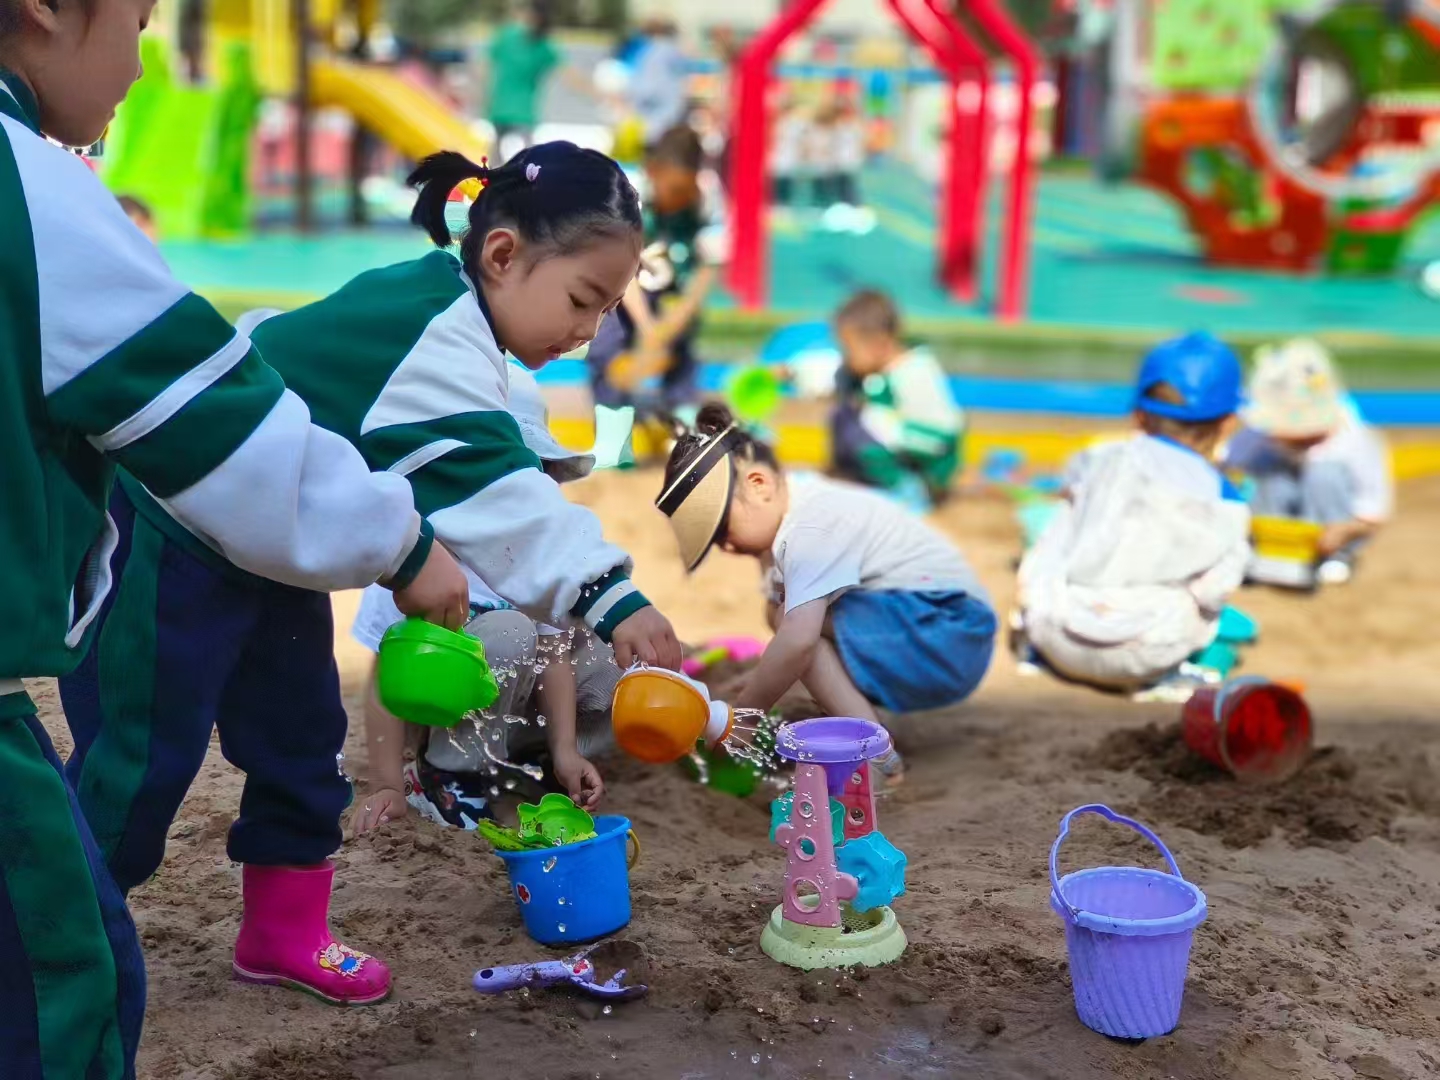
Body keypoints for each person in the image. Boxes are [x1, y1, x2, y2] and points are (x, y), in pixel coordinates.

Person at [57, 141, 681, 1011]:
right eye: (583, 300)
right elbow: (503, 494)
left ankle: (281, 934)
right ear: (504, 255)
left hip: (273, 553)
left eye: (608, 310)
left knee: (302, 738)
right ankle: (55, 943)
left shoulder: (450, 318)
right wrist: (613, 598)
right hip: (174, 534)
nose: (590, 332)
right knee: (140, 759)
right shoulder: (434, 331)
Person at [0, 1, 466, 1073]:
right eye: (136, 20)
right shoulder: (32, 190)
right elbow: (227, 432)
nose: (140, 61)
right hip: (170, 565)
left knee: (297, 742)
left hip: (251, 579)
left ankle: (283, 927)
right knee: (67, 978)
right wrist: (403, 544)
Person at [658, 405, 998, 784]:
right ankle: (865, 718)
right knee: (782, 614)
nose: (726, 547)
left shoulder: (811, 528)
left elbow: (799, 640)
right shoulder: (795, 502)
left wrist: (746, 718)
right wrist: (762, 679)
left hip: (949, 631)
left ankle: (877, 758)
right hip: (933, 632)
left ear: (759, 485)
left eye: (723, 531)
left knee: (794, 626)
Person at [352, 364, 619, 834]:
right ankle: (444, 774)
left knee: (607, 661)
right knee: (508, 630)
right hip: (439, 705)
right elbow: (383, 677)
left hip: (507, 705)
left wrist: (564, 752)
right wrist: (386, 784)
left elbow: (553, 654)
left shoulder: (537, 548)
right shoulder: (418, 546)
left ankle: (523, 761)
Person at [1017, 332, 1250, 692]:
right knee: (1219, 615)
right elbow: (1213, 592)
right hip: (1143, 654)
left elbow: (1061, 511)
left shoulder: (1097, 458)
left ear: (1138, 416)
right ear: (1229, 423)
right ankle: (1178, 679)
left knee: (1060, 522)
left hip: (1055, 635)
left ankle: (1030, 652)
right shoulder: (1225, 499)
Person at [587, 123, 726, 423]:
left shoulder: (708, 198)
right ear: (653, 172)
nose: (679, 199)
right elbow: (621, 268)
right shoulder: (627, 194)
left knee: (681, 351)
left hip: (674, 285)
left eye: (686, 191)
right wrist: (648, 328)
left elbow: (707, 269)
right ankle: (615, 425)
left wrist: (672, 325)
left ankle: (681, 422)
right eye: (674, 190)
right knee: (608, 342)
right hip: (623, 285)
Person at [1225, 338, 1392, 585]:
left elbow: (1373, 509)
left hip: (1332, 527)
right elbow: (1226, 465)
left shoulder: (1353, 440)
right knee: (1266, 470)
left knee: (1324, 474)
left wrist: (1344, 530)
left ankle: (1336, 556)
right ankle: (1267, 553)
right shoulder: (1260, 435)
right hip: (1276, 526)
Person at [829, 289, 965, 511]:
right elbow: (827, 374)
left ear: (879, 344)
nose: (846, 357)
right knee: (844, 416)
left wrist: (876, 420)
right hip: (899, 445)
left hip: (931, 453)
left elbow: (942, 437)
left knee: (864, 422)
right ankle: (859, 478)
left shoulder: (913, 372)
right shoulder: (871, 371)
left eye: (850, 349)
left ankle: (909, 490)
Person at [485, 0, 559, 160]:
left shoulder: (538, 44)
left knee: (504, 153)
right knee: (522, 155)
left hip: (511, 108)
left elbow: (485, 65)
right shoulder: (511, 37)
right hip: (511, 109)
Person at [626, 16, 689, 148]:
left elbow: (643, 87)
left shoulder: (647, 50)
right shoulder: (668, 50)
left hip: (652, 120)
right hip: (664, 119)